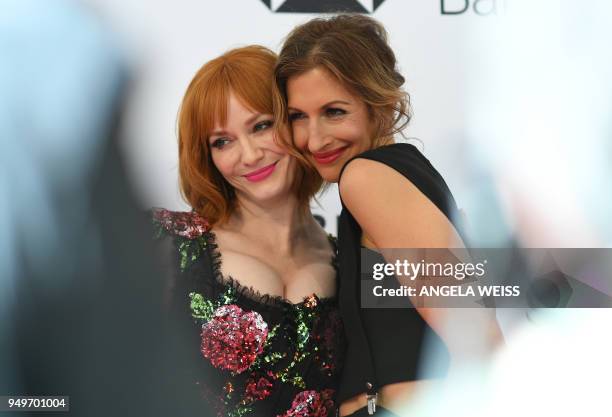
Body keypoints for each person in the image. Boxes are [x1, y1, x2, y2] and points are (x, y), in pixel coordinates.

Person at [273, 15, 502, 417]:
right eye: (298, 117)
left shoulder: (366, 178)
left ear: (379, 102)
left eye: (335, 111)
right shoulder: (402, 175)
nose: (315, 138)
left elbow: (478, 337)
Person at [151, 46, 344, 417]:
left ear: (296, 120)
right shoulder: (171, 243)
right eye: (222, 141)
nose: (250, 155)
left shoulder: (351, 257)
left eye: (261, 126)